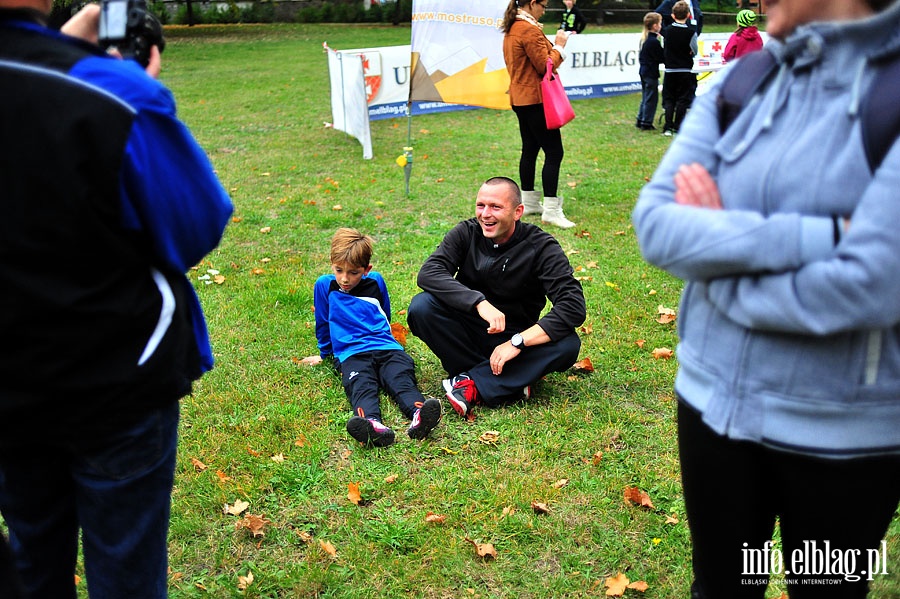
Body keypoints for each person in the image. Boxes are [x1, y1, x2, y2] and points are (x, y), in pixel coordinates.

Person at [632, 0, 900, 597]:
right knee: (722, 588)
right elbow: (655, 223)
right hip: (711, 408)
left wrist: (716, 258)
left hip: (842, 436)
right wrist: (827, 236)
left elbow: (873, 281)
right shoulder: (740, 80)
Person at [0, 0, 233, 597]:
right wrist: (121, 79)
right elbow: (195, 226)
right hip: (114, 380)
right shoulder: (110, 90)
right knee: (125, 573)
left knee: (31, 554)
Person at [407, 177, 586, 418]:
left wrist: (518, 342)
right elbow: (429, 272)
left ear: (518, 212)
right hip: (468, 331)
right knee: (422, 307)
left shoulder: (542, 246)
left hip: (516, 340)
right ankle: (507, 380)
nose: (485, 214)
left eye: (496, 207)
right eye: (481, 205)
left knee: (568, 344)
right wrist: (478, 302)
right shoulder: (466, 232)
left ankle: (471, 383)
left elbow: (573, 306)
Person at [314, 228, 442, 447]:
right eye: (339, 270)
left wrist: (388, 340)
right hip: (351, 354)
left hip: (387, 348)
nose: (345, 279)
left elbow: (384, 313)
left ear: (366, 269)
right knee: (361, 384)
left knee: (400, 379)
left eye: (353, 272)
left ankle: (420, 415)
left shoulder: (376, 281)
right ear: (331, 264)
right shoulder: (324, 285)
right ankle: (371, 424)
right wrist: (325, 354)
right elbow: (323, 323)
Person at [501, 0, 576, 229]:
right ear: (532, 3)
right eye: (543, 4)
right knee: (554, 152)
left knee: (530, 149)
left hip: (520, 98)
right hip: (535, 100)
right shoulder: (529, 29)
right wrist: (560, 46)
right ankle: (551, 210)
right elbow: (545, 66)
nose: (545, 9)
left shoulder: (513, 26)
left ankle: (530, 202)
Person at [660, 0, 698, 136]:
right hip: (685, 69)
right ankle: (678, 126)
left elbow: (665, 48)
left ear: (673, 15)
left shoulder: (667, 31)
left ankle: (667, 126)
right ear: (688, 15)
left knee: (669, 99)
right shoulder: (691, 32)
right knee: (683, 99)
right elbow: (695, 50)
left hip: (670, 69)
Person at [635, 12, 665, 131]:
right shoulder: (653, 42)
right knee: (651, 98)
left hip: (643, 71)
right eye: (660, 23)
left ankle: (641, 118)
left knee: (645, 96)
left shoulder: (645, 40)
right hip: (650, 72)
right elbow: (661, 57)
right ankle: (646, 122)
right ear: (655, 26)